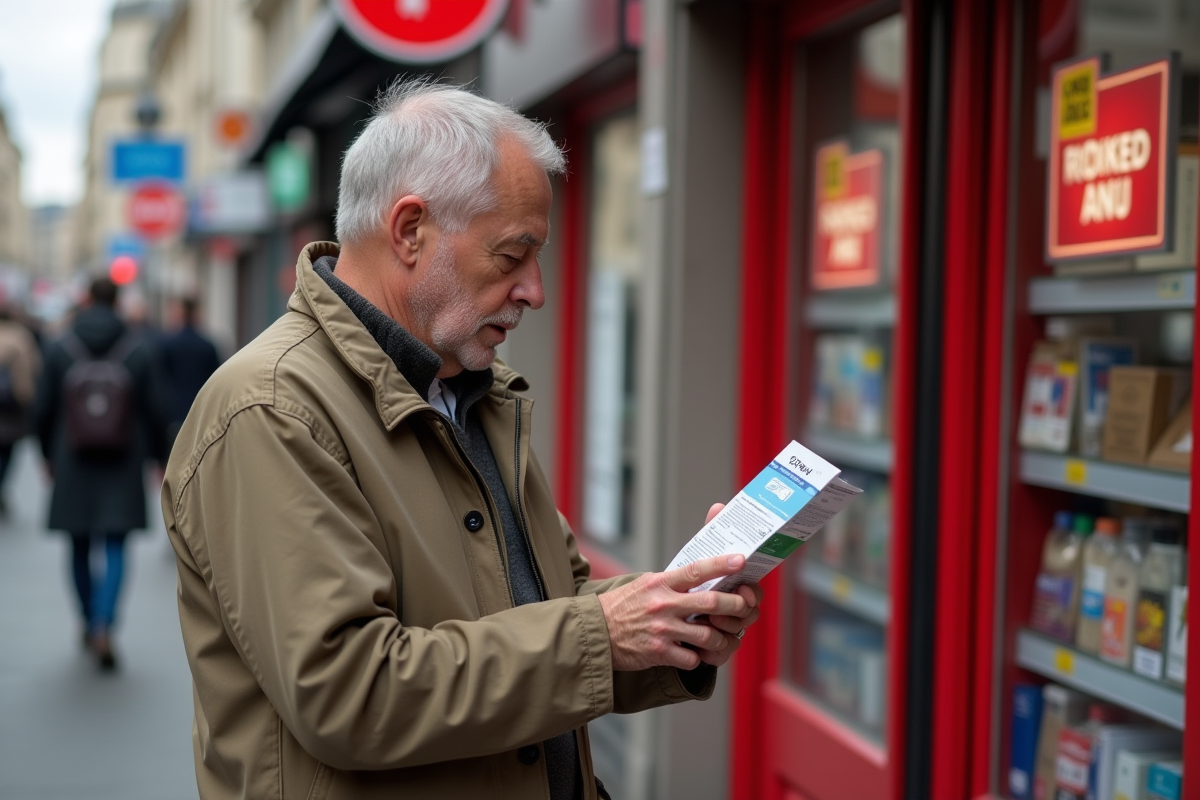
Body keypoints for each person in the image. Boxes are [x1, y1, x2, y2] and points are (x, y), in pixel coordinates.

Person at [161, 81, 763, 800]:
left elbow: (552, 598)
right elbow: (348, 695)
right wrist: (603, 633)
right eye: (513, 256)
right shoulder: (271, 409)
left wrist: (671, 614)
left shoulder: (471, 389)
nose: (535, 290)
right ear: (410, 230)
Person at [36, 276, 168, 670]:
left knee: (78, 544)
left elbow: (43, 409)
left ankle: (86, 616)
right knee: (115, 544)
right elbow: (156, 409)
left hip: (72, 457)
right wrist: (158, 459)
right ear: (118, 302)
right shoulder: (138, 348)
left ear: (87, 300)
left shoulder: (61, 347)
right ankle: (104, 623)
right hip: (123, 458)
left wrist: (47, 455)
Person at [158, 296, 220, 449]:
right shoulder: (208, 346)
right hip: (201, 412)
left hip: (173, 412)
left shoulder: (168, 345)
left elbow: (160, 380)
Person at [0, 303, 41, 515]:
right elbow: (30, 369)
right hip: (10, 407)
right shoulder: (20, 337)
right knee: (7, 451)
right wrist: (27, 398)